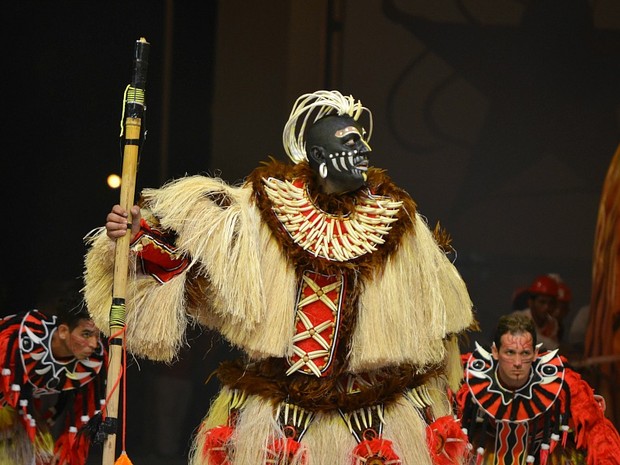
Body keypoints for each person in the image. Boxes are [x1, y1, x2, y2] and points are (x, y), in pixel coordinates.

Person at [83, 90, 475, 465]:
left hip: (374, 417)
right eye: (349, 142)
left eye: (362, 143)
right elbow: (194, 262)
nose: (364, 152)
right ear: (320, 156)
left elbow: (437, 319)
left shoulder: (398, 223)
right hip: (278, 413)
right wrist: (136, 235)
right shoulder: (264, 211)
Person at [456, 314, 620, 465]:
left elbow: (598, 432)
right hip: (485, 454)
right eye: (510, 352)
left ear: (535, 354)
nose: (518, 362)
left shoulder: (565, 384)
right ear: (495, 352)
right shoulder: (466, 377)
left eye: (525, 353)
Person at [0, 292, 106, 465]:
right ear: (63, 331)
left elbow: (84, 411)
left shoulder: (92, 362)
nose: (94, 344)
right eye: (86, 334)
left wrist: (67, 447)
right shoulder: (15, 343)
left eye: (97, 335)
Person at [511, 275, 560, 350]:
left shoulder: (552, 323)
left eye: (551, 303)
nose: (547, 307)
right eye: (542, 302)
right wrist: (555, 346)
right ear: (531, 302)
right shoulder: (518, 317)